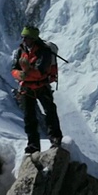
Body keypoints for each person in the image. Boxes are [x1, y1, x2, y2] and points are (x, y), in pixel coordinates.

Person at [11, 25, 63, 154]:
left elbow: (40, 71)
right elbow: (14, 69)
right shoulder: (21, 51)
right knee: (29, 117)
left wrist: (25, 71)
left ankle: (55, 138)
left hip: (41, 85)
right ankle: (33, 144)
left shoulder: (44, 51)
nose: (24, 40)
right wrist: (21, 74)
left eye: (26, 38)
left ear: (33, 39)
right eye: (23, 37)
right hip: (27, 88)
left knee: (50, 112)